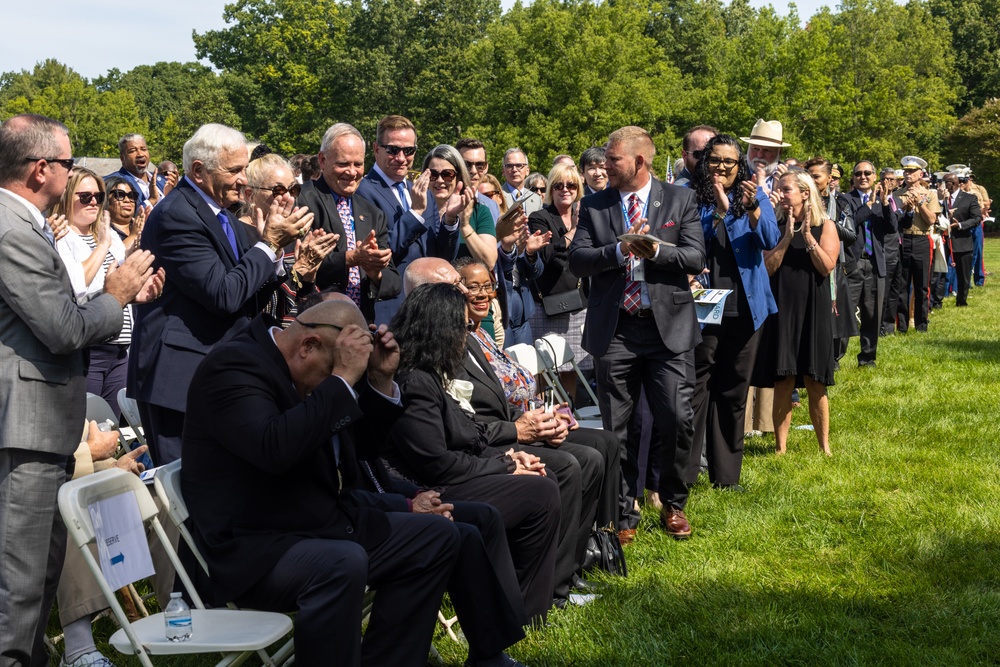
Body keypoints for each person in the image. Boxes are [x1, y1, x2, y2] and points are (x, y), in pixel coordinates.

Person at [182, 299, 470, 667]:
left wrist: (379, 381)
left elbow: (361, 446)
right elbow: (274, 449)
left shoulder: (310, 372)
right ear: (308, 345)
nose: (339, 384)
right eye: (335, 371)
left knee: (436, 536)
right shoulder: (232, 366)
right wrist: (341, 380)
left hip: (317, 523)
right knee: (342, 562)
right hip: (255, 545)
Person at [0, 113, 163, 667]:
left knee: (39, 578)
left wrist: (120, 297)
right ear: (41, 167)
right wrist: (115, 292)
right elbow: (63, 327)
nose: (75, 177)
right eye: (71, 164)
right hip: (24, 428)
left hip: (43, 426)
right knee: (19, 589)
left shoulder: (25, 223)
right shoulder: (10, 228)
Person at [130, 123, 312, 465]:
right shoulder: (177, 216)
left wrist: (289, 266)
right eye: (235, 170)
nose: (244, 179)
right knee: (186, 494)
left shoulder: (221, 216)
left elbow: (248, 291)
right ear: (198, 171)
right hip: (178, 383)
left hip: (213, 373)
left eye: (244, 168)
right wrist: (269, 243)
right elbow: (223, 295)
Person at [384, 284, 561, 623]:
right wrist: (506, 466)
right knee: (541, 490)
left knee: (543, 478)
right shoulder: (414, 380)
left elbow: (467, 431)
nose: (468, 335)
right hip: (426, 491)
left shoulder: (429, 373)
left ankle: (525, 605)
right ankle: (523, 611)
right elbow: (436, 464)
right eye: (463, 327)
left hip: (448, 475)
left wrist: (507, 459)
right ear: (442, 328)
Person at [568, 125, 706, 540]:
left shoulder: (680, 199)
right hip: (617, 331)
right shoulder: (595, 205)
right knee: (618, 426)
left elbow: (696, 256)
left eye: (612, 160)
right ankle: (623, 511)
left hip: (669, 331)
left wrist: (655, 249)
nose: (603, 166)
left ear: (639, 161)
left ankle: (673, 502)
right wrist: (619, 250)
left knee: (678, 418)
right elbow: (578, 259)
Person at [455, 257, 616, 606]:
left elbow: (505, 397)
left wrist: (546, 420)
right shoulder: (452, 344)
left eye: (487, 287)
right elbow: (467, 420)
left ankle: (571, 568)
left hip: (521, 423)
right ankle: (551, 587)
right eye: (473, 287)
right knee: (578, 462)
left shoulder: (481, 334)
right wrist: (522, 428)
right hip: (492, 445)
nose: (482, 294)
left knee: (602, 447)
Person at [685, 134, 780, 489]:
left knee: (733, 391)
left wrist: (751, 208)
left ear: (740, 166)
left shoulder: (753, 198)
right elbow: (691, 243)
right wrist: (720, 214)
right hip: (705, 308)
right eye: (715, 160)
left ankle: (726, 477)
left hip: (746, 307)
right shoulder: (691, 200)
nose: (723, 167)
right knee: (698, 388)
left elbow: (769, 239)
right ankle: (688, 473)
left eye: (730, 162)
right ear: (704, 163)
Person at [758, 170, 840, 456]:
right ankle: (780, 448)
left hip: (813, 310)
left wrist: (807, 237)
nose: (780, 195)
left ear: (805, 193)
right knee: (783, 378)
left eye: (786, 189)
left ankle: (824, 447)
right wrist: (786, 239)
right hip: (782, 308)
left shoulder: (826, 226)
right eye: (778, 190)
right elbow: (767, 268)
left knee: (817, 379)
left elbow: (826, 266)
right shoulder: (775, 225)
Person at [55, 422, 150, 667]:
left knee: (154, 493)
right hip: (25, 511)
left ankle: (186, 607)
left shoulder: (62, 392)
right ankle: (79, 652)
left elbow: (84, 447)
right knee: (67, 513)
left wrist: (113, 466)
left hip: (71, 485)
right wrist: (90, 453)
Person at [358, 115, 458, 323]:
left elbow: (438, 255)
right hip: (391, 307)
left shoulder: (420, 190)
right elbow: (381, 254)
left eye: (409, 151)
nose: (402, 158)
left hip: (428, 309)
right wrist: (415, 213)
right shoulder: (362, 191)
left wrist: (449, 219)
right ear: (376, 149)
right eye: (393, 150)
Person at [297, 123, 400, 323]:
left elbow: (394, 282)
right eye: (343, 164)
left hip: (360, 324)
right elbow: (299, 265)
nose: (352, 172)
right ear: (322, 160)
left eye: (358, 164)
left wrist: (375, 273)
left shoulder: (373, 213)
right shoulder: (304, 201)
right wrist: (350, 258)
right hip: (317, 321)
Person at [52, 168, 134, 419]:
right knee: (88, 428)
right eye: (85, 196)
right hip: (91, 348)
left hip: (121, 348)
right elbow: (77, 284)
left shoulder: (107, 235)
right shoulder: (61, 237)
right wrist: (103, 246)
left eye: (98, 197)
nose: (94, 202)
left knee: (114, 429)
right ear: (67, 196)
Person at [240, 153, 340, 326]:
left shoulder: (294, 234)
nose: (289, 198)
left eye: (293, 190)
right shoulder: (239, 234)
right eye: (278, 191)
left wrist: (309, 275)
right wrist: (299, 268)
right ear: (250, 195)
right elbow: (260, 305)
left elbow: (304, 304)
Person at [528, 162, 592, 395]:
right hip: (546, 303)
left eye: (572, 185)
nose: (565, 190)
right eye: (558, 185)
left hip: (577, 304)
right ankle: (544, 420)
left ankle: (569, 415)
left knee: (570, 369)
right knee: (543, 369)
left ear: (579, 189)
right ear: (550, 190)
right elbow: (547, 256)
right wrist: (574, 232)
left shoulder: (586, 215)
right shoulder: (539, 217)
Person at [842, 161, 896, 367]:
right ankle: (836, 357)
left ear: (874, 177)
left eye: (867, 173)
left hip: (874, 263)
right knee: (846, 312)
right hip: (853, 263)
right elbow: (850, 224)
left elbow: (891, 228)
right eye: (858, 174)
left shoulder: (884, 201)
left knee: (872, 314)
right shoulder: (845, 199)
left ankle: (867, 358)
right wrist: (869, 206)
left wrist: (883, 204)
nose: (863, 177)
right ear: (853, 178)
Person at [805, 156, 858, 367]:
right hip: (804, 264)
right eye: (808, 175)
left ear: (829, 179)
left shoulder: (840, 203)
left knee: (835, 319)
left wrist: (826, 224)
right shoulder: (798, 200)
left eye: (816, 176)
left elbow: (851, 234)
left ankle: (832, 360)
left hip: (832, 266)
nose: (812, 180)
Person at [893, 156, 941, 333]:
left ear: (920, 174)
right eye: (906, 171)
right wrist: (905, 205)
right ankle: (902, 325)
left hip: (921, 239)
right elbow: (894, 218)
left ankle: (921, 324)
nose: (908, 174)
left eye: (912, 171)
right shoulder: (897, 194)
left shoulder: (930, 194)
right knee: (902, 284)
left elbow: (931, 220)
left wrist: (920, 203)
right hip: (903, 239)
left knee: (921, 285)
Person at [942, 171, 982, 306]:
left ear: (955, 183)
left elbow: (977, 218)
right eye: (944, 182)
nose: (946, 185)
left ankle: (961, 300)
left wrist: (960, 225)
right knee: (939, 273)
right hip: (942, 241)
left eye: (948, 182)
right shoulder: (939, 198)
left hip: (962, 240)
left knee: (963, 274)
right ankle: (937, 300)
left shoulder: (969, 198)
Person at [104, 134, 162, 209]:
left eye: (143, 149)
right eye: (133, 151)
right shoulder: (111, 183)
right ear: (122, 158)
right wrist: (151, 200)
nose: (140, 154)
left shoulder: (162, 181)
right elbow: (124, 214)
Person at [879, 167, 904, 335]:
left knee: (896, 289)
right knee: (884, 291)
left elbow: (902, 224)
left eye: (892, 179)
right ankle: (879, 325)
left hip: (899, 248)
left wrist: (908, 211)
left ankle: (888, 326)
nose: (889, 182)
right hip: (885, 249)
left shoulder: (899, 200)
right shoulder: (877, 200)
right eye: (886, 179)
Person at [740, 119, 790, 189]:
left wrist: (783, 186)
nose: (760, 155)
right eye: (755, 149)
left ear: (780, 152)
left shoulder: (793, 177)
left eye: (767, 150)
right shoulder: (735, 172)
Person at [104, 176, 144, 249]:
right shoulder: (100, 231)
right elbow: (115, 257)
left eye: (131, 196)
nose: (127, 200)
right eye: (120, 195)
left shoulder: (141, 227)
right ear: (106, 199)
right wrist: (133, 235)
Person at [501, 148, 543, 215]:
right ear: (503, 171)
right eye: (509, 166)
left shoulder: (536, 199)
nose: (514, 170)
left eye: (519, 165)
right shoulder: (497, 196)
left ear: (527, 170)